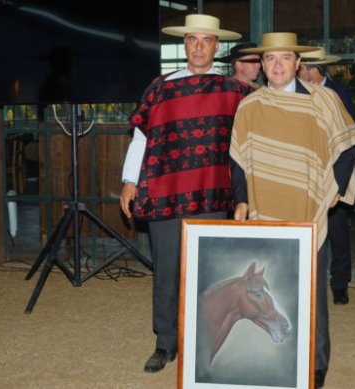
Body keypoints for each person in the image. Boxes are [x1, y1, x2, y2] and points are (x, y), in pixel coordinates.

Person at [230, 32, 355, 388]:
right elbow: (238, 159)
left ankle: (316, 363)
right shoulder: (250, 106)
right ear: (261, 65)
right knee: (267, 285)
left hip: (309, 208)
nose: (277, 66)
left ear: (298, 63)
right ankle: (272, 355)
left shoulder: (324, 101)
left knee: (312, 287)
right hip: (263, 206)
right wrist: (241, 199)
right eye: (270, 59)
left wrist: (336, 186)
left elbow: (349, 143)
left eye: (285, 59)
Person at [119, 14, 251, 373]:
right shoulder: (160, 88)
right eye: (192, 39)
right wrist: (130, 180)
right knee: (166, 272)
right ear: (184, 44)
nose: (198, 46)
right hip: (165, 193)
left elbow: (250, 144)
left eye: (205, 40)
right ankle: (165, 343)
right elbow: (141, 138)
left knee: (208, 275)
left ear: (215, 46)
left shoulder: (234, 92)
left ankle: (202, 342)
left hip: (212, 195)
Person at [298, 47, 355, 305]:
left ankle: (340, 285)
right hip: (305, 173)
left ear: (313, 70)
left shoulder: (339, 93)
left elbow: (347, 134)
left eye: (301, 67)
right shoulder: (296, 94)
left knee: (338, 233)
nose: (298, 70)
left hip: (334, 172)